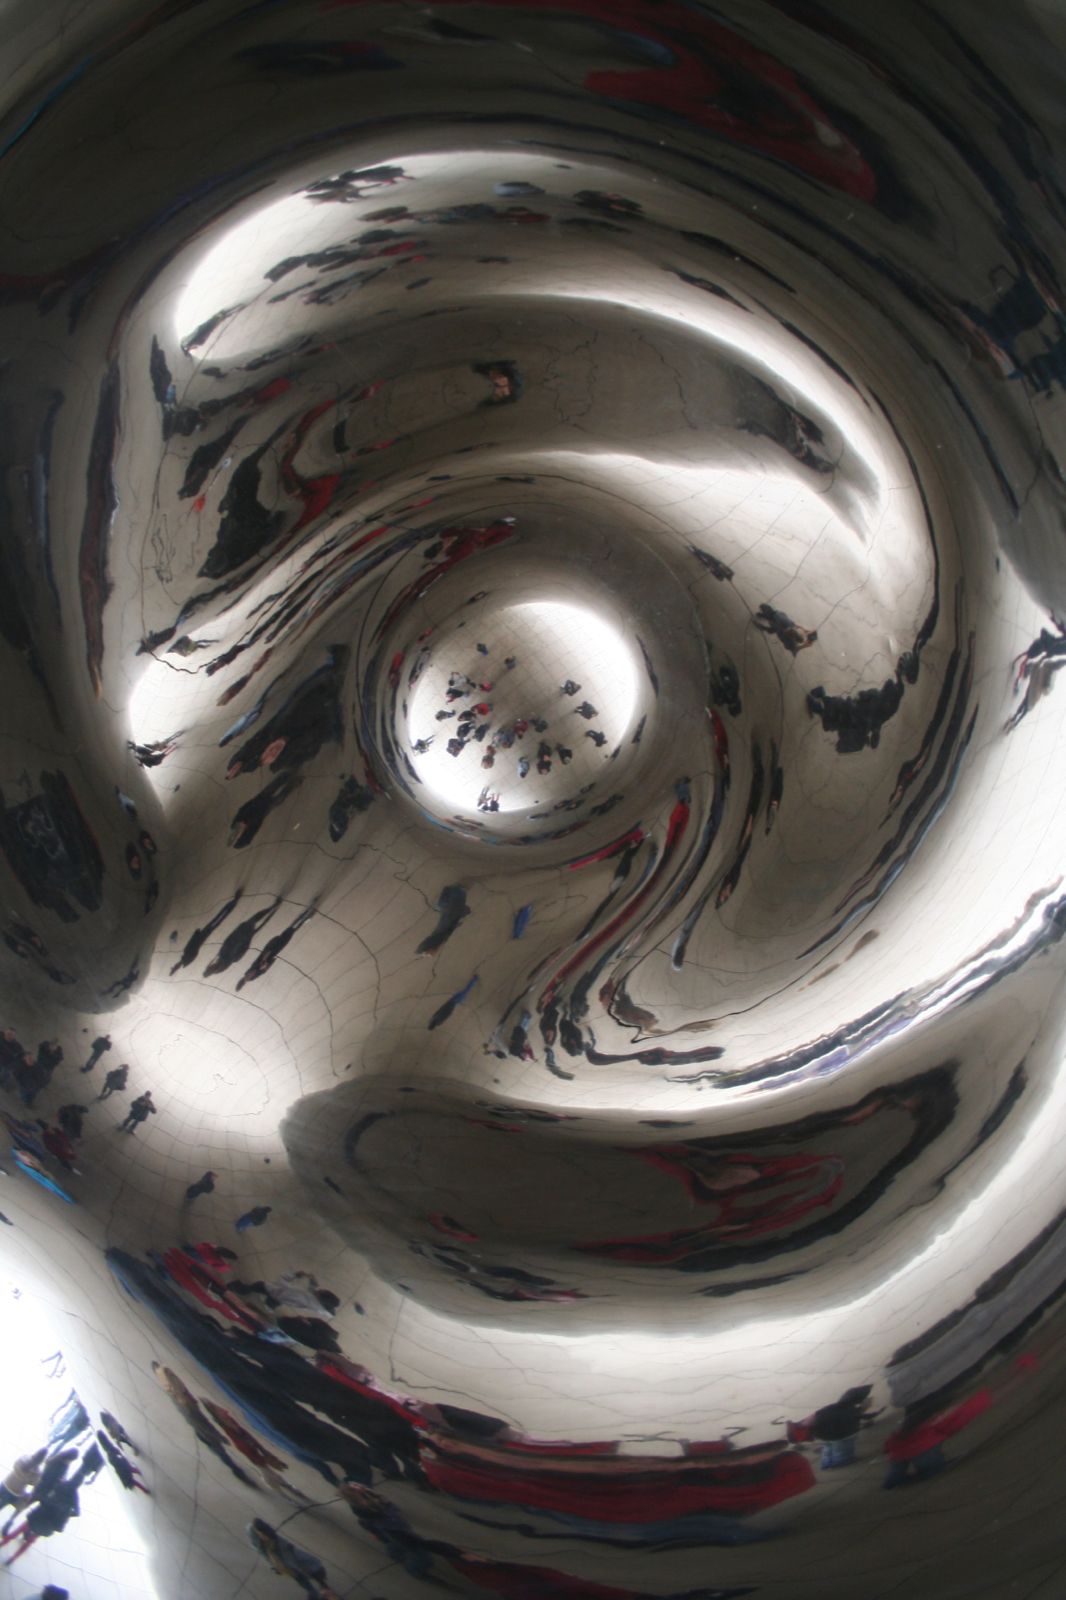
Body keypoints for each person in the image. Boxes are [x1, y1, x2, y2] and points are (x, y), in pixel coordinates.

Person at [247, 1518, 341, 1598]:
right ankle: (314, 1591)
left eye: (265, 1536)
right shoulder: (254, 1534)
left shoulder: (273, 1538)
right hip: (282, 1560)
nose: (265, 1537)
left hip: (288, 1555)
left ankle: (321, 1586)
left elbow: (283, 1547)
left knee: (308, 1568)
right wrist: (275, 1566)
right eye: (263, 1535)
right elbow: (264, 1553)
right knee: (298, 1575)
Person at [0, 1449, 46, 1533]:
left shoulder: (24, 1457)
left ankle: (9, 1522)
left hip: (5, 1483)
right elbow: (33, 1483)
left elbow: (15, 1464)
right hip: (14, 1492)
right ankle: (9, 1523)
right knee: (22, 1504)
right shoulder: (37, 1472)